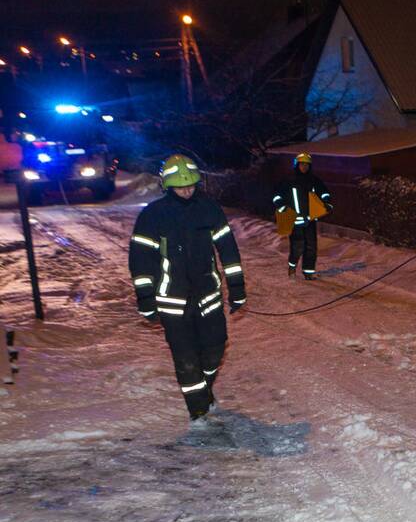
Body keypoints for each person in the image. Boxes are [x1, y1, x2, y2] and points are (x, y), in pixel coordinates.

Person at [128, 154, 246, 422]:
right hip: (172, 302)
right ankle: (198, 409)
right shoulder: (153, 215)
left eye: (191, 185)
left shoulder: (209, 209)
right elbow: (140, 261)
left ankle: (203, 389)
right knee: (187, 359)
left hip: (209, 297)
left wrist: (237, 287)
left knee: (215, 348)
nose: (187, 190)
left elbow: (228, 250)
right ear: (167, 185)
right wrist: (145, 299)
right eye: (181, 186)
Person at [272, 153, 331, 279]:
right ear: (297, 165)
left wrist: (326, 203)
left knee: (311, 247)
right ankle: (292, 267)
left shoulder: (314, 180)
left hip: (310, 220)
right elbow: (277, 196)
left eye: (307, 165)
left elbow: (324, 193)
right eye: (302, 164)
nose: (304, 167)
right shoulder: (288, 180)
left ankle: (308, 272)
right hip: (295, 220)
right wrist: (282, 207)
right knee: (297, 246)